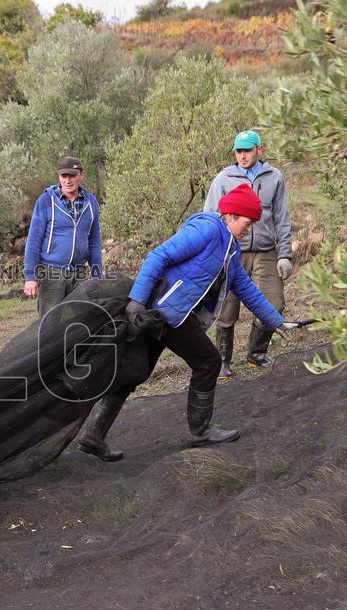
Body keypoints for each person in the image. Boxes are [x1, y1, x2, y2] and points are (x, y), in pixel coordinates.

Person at [86, 184, 295, 453]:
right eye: (248, 221)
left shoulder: (230, 250)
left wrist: (275, 321)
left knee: (134, 371)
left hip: (168, 315)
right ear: (231, 215)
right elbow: (158, 256)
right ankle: (201, 432)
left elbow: (247, 289)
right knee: (208, 362)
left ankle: (93, 436)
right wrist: (136, 302)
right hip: (165, 313)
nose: (250, 228)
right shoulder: (207, 229)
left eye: (253, 223)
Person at [204, 130, 294, 377]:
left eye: (247, 150)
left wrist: (285, 254)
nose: (242, 156)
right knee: (226, 309)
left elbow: (282, 218)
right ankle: (222, 361)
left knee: (274, 304)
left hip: (266, 252)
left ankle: (256, 355)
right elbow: (210, 216)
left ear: (259, 150)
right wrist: (212, 254)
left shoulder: (274, 177)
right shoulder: (223, 178)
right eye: (238, 151)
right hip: (232, 252)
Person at [23, 156, 103, 318]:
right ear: (59, 177)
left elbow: (94, 241)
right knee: (49, 325)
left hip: (79, 273)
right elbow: (33, 241)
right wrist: (30, 276)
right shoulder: (46, 201)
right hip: (51, 274)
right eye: (63, 176)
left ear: (81, 175)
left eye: (72, 175)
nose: (67, 180)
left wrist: (97, 274)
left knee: (83, 321)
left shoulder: (91, 203)